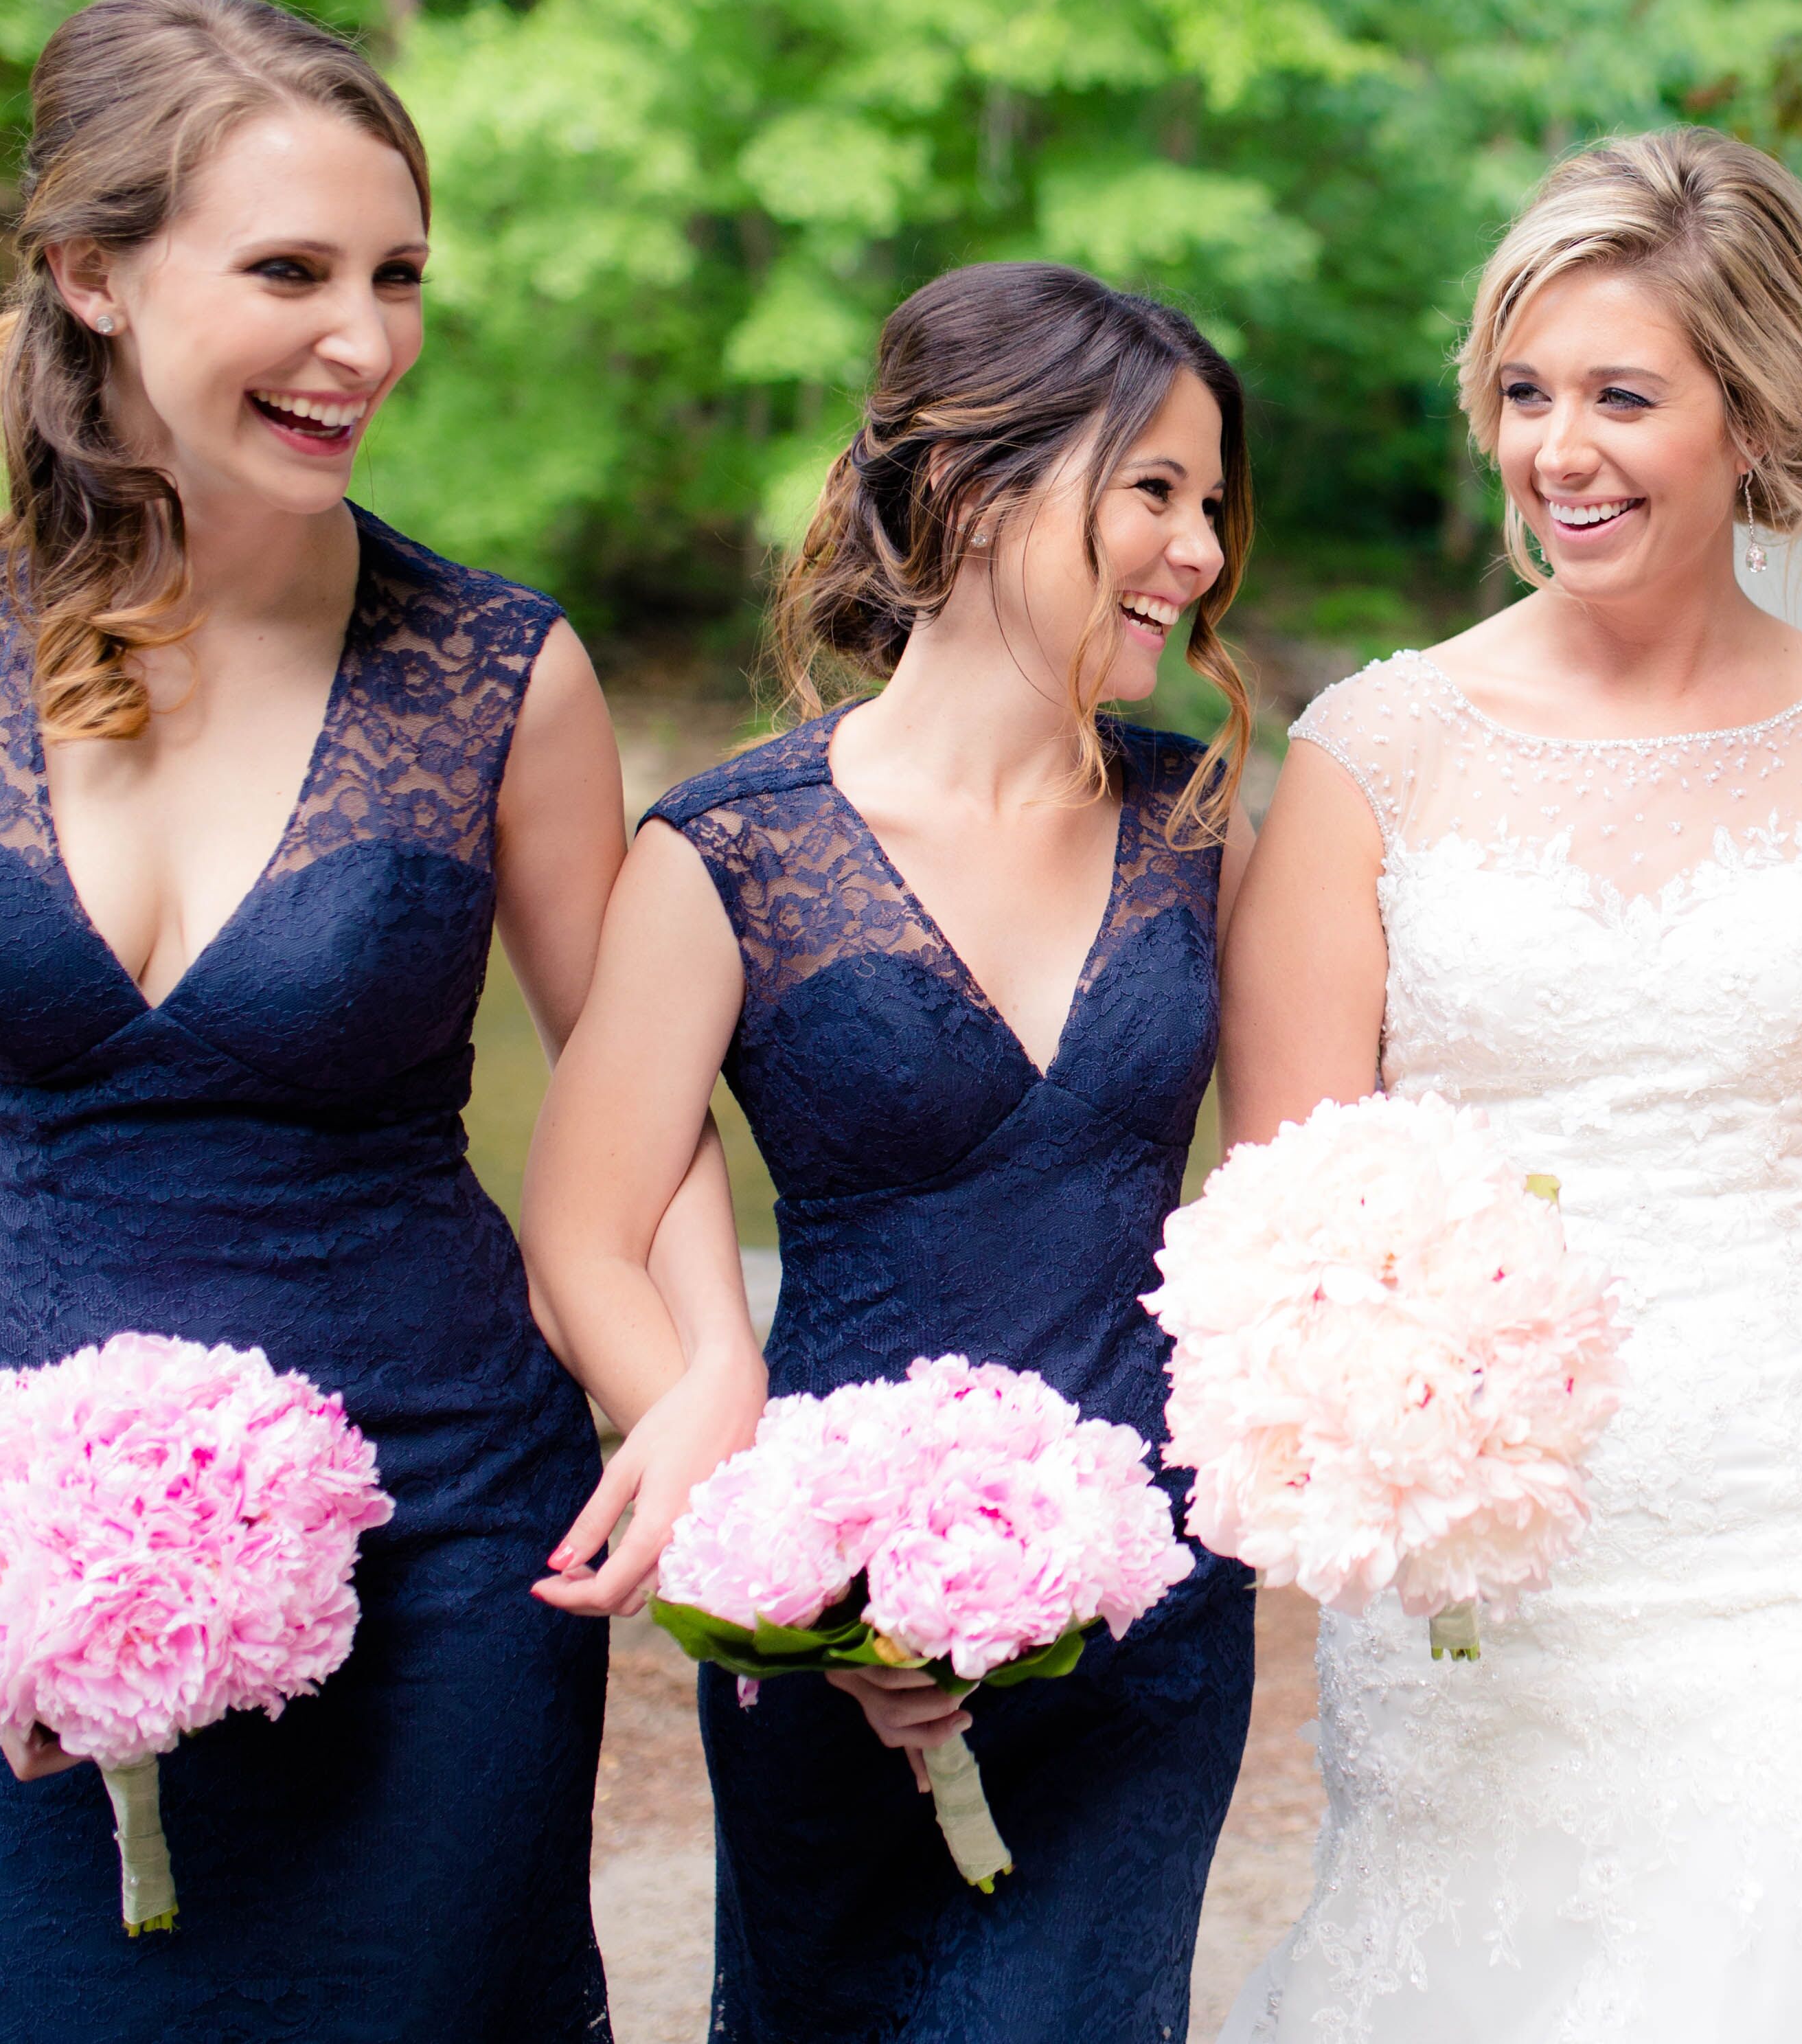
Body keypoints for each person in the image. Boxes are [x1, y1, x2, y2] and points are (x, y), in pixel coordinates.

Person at [0, 0, 678, 2039]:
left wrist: (686, 1396)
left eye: (397, 276)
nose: (363, 340)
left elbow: (635, 1131)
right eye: (289, 270)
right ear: (93, 278)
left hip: (449, 1552)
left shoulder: (501, 676)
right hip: (39, 1580)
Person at [1219, 128, 1802, 2043]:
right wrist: (1393, 1444)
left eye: (1622, 396)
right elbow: (1288, 1211)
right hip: (1478, 1525)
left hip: (1796, 1526)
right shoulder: (1370, 751)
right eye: (1524, 391)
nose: (1555, 449)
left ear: (1757, 415)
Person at [519, 260, 1259, 2041]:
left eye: (1213, 503)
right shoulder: (727, 853)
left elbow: (1302, 1184)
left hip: (1146, 1611)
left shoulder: (1208, 829)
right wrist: (770, 1543)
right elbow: (583, 1233)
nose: (1201, 551)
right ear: (974, 490)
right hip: (825, 1625)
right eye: (1153, 491)